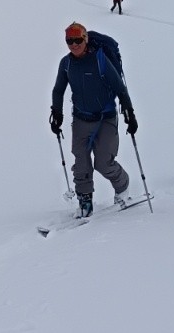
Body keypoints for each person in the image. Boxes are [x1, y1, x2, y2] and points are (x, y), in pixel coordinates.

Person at [50, 22, 138, 217]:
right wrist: (56, 113)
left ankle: (122, 187)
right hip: (81, 118)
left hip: (106, 117)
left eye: (77, 40)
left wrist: (129, 112)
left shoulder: (100, 60)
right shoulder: (66, 63)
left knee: (104, 163)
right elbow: (58, 90)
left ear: (85, 39)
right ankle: (85, 200)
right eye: (69, 41)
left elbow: (119, 87)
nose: (74, 45)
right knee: (81, 161)